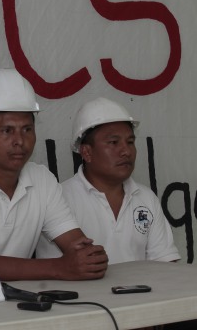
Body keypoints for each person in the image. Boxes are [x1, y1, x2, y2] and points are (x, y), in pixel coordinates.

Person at [0, 69, 108, 281]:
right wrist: (60, 267)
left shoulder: (42, 179)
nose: (19, 141)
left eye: (27, 129)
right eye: (7, 131)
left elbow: (76, 244)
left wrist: (89, 258)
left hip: (22, 301)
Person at [35, 97, 179, 263]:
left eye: (130, 142)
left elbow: (166, 265)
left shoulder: (146, 198)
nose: (126, 151)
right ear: (86, 152)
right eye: (113, 142)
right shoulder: (58, 199)